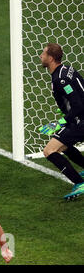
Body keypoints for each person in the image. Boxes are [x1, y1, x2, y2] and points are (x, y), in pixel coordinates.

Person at [39, 43, 84, 200]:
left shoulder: (60, 79)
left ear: (50, 58)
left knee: (50, 150)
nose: (40, 56)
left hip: (81, 121)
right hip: (78, 119)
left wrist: (61, 122)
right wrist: (65, 110)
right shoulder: (66, 69)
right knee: (64, 145)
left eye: (43, 54)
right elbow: (80, 91)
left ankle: (80, 183)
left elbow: (78, 105)